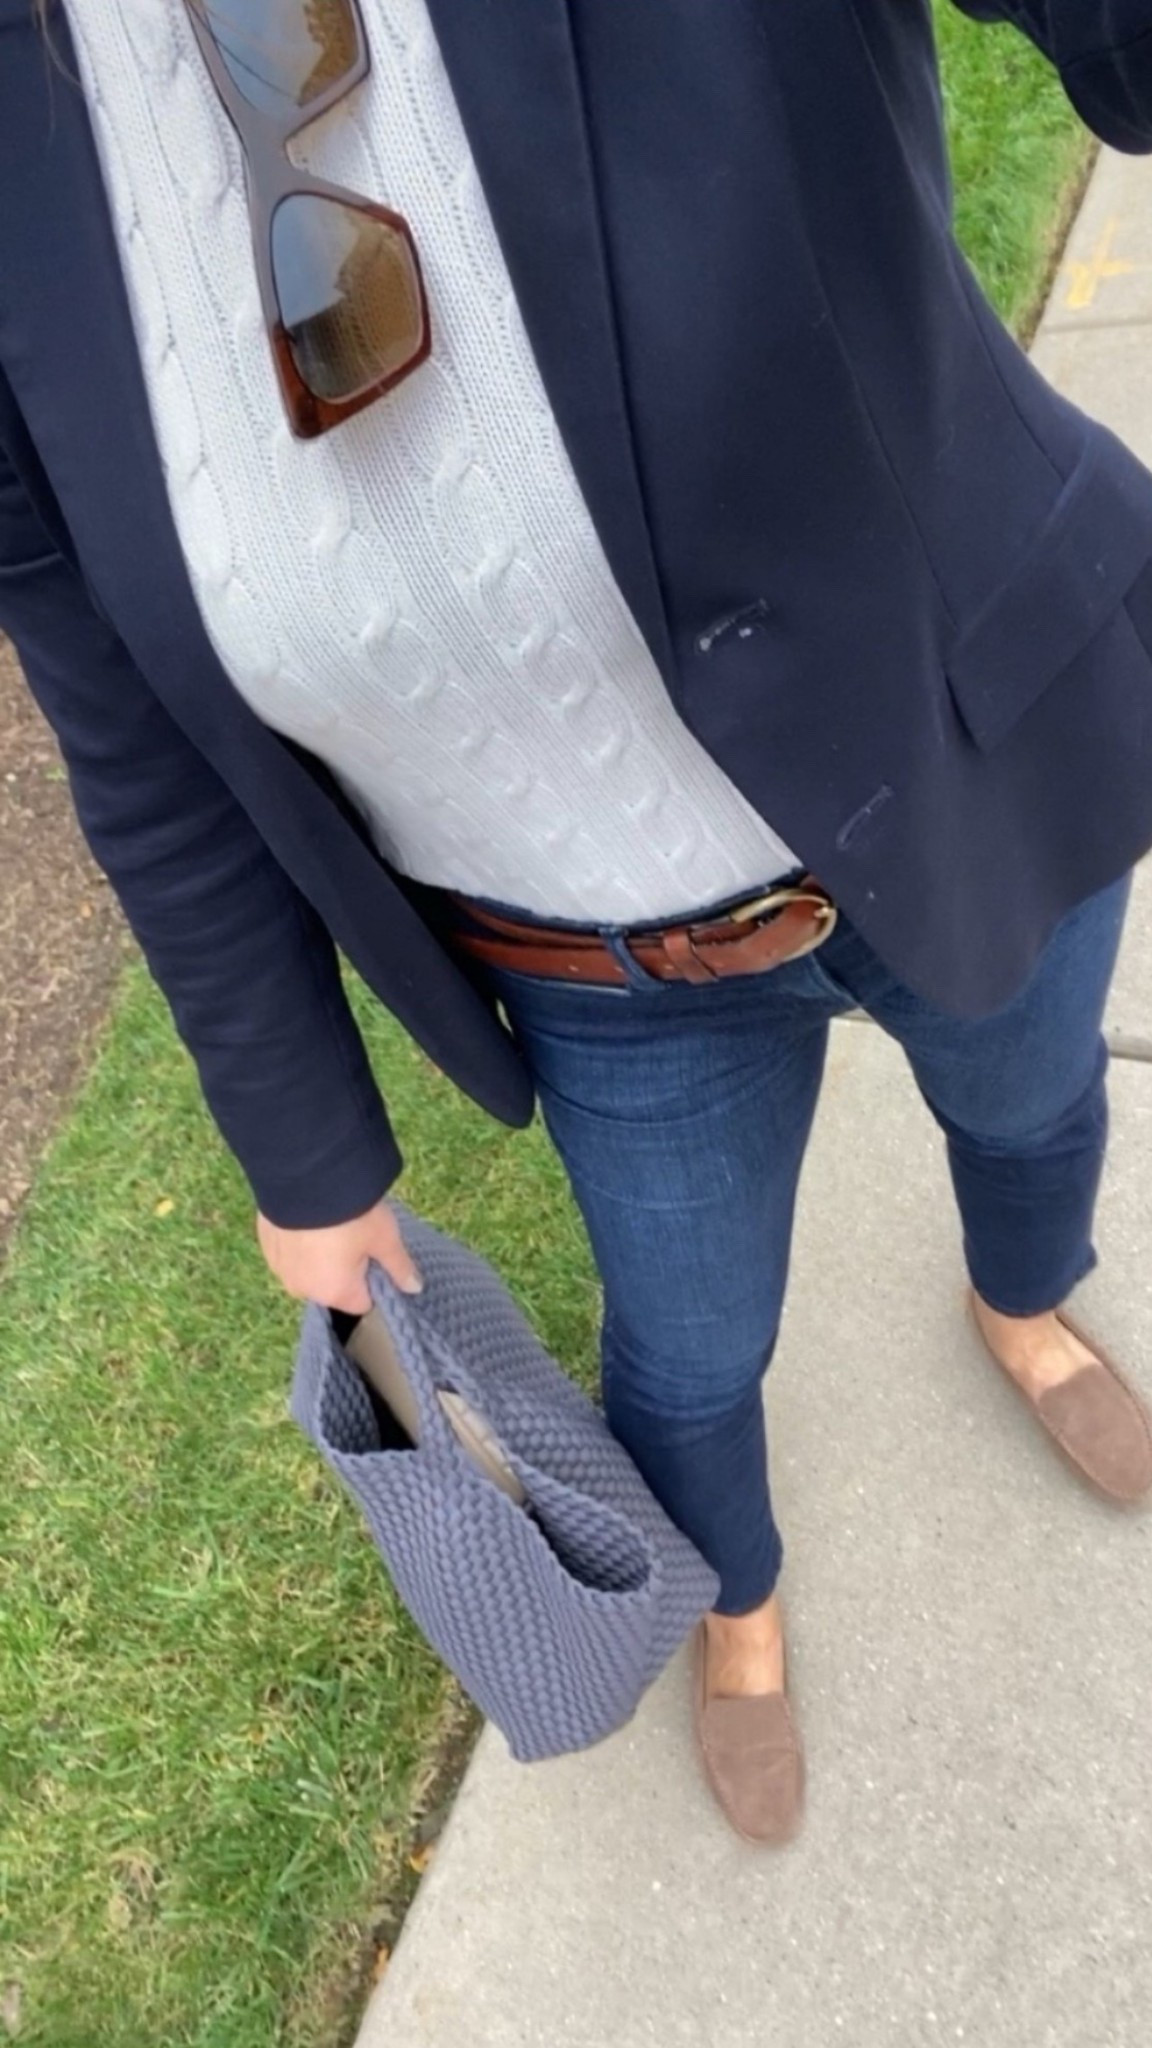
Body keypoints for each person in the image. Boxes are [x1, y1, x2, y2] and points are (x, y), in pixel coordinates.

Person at [3, 0, 1152, 1848]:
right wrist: (305, 1158)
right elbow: (134, 731)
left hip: (964, 753)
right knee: (684, 1352)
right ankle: (737, 1599)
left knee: (1031, 1110)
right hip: (603, 972)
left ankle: (1025, 1304)